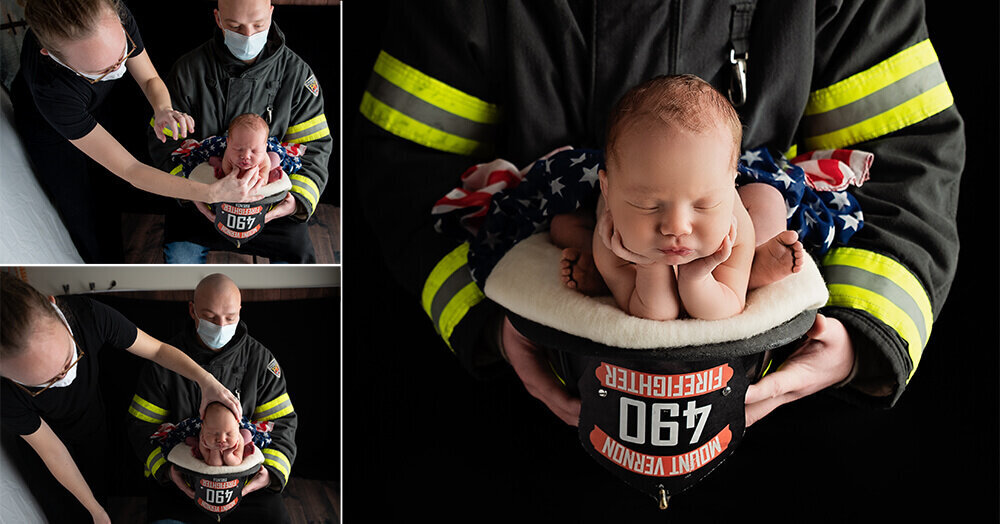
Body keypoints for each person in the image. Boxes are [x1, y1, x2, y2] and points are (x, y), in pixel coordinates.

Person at [353, 0, 964, 514]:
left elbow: (903, 161)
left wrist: (861, 335)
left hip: (791, 432)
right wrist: (489, 321)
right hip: (515, 426)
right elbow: (413, 169)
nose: (674, 229)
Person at [11, 0, 268, 263]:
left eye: (123, 53)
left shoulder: (110, 16)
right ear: (49, 54)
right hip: (49, 131)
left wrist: (163, 108)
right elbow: (130, 170)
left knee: (108, 188)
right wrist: (210, 193)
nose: (120, 69)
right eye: (105, 70)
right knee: (81, 209)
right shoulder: (51, 91)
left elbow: (148, 79)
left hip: (94, 103)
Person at [548, 74, 803, 320]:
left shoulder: (731, 225)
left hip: (730, 241)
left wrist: (696, 277)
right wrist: (648, 266)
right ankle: (605, 277)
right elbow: (655, 313)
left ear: (730, 186)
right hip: (625, 252)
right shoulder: (612, 237)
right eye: (648, 205)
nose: (676, 227)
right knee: (562, 226)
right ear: (608, 190)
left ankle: (753, 266)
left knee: (768, 199)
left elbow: (726, 308)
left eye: (704, 204)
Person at [0, 272, 242, 524]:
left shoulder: (88, 316)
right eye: (43, 383)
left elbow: (157, 350)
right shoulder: (5, 395)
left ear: (54, 307)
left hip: (94, 425)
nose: (63, 379)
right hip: (48, 450)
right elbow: (52, 451)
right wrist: (95, 512)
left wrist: (207, 381)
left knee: (100, 484)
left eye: (68, 361)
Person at [146, 0, 332, 264]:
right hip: (200, 203)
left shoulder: (298, 76)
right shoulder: (188, 70)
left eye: (258, 25)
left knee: (300, 259)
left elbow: (314, 147)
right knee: (179, 258)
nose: (247, 36)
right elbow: (164, 142)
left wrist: (294, 202)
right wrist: (190, 192)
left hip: (271, 207)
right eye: (235, 26)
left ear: (271, 13)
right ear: (218, 18)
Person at [127, 273, 297, 524]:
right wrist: (166, 471)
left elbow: (281, 422)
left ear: (240, 311)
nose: (220, 326)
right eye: (209, 317)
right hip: (180, 486)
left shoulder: (261, 361)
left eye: (230, 318)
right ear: (192, 310)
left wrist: (270, 474)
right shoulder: (162, 364)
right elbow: (141, 427)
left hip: (248, 486)